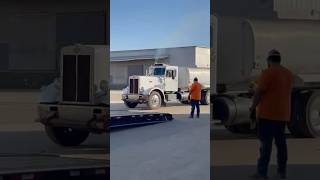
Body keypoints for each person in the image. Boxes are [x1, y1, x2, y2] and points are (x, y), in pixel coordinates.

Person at [250, 49, 294, 179]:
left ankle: (262, 173)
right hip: (282, 115)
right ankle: (282, 172)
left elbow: (259, 92)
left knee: (265, 146)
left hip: (267, 115)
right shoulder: (288, 74)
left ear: (269, 60)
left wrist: (253, 106)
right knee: (281, 145)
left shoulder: (267, 73)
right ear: (279, 60)